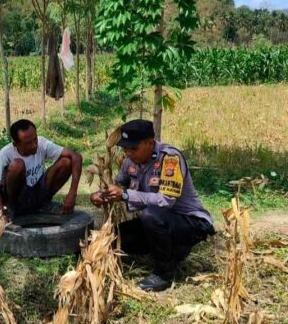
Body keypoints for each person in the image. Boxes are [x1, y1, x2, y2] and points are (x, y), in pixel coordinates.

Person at [90, 119, 215, 292]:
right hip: (157, 222)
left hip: (190, 222)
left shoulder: (170, 159)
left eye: (133, 148)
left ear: (150, 143)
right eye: (125, 149)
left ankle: (164, 274)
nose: (128, 153)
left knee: (151, 215)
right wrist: (102, 195)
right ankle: (173, 251)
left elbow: (166, 201)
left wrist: (125, 195)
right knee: (114, 237)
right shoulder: (129, 162)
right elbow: (119, 186)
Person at [0, 119, 82, 220]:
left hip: (39, 192)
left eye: (35, 139)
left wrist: (72, 192)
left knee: (66, 162)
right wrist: (0, 217)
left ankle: (43, 205)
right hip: (17, 198)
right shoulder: (5, 154)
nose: (34, 145)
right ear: (16, 144)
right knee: (17, 165)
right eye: (28, 143)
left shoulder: (42, 143)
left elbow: (76, 157)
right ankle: (13, 210)